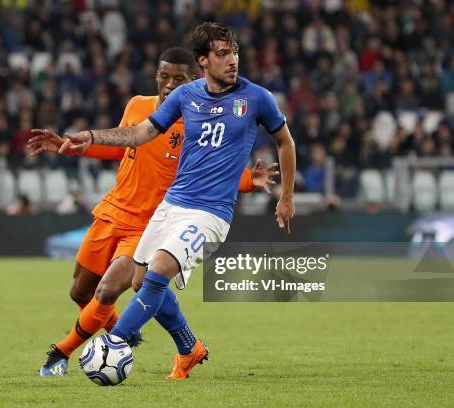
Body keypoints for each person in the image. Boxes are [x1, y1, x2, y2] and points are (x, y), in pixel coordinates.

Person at [54, 23, 296, 379]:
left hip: (211, 213)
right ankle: (188, 347)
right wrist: (90, 137)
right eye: (222, 54)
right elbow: (139, 133)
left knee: (160, 270)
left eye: (234, 53)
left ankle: (114, 344)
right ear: (203, 61)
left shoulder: (257, 98)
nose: (232, 61)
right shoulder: (186, 97)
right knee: (140, 281)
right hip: (172, 205)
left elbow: (285, 142)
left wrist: (286, 196)